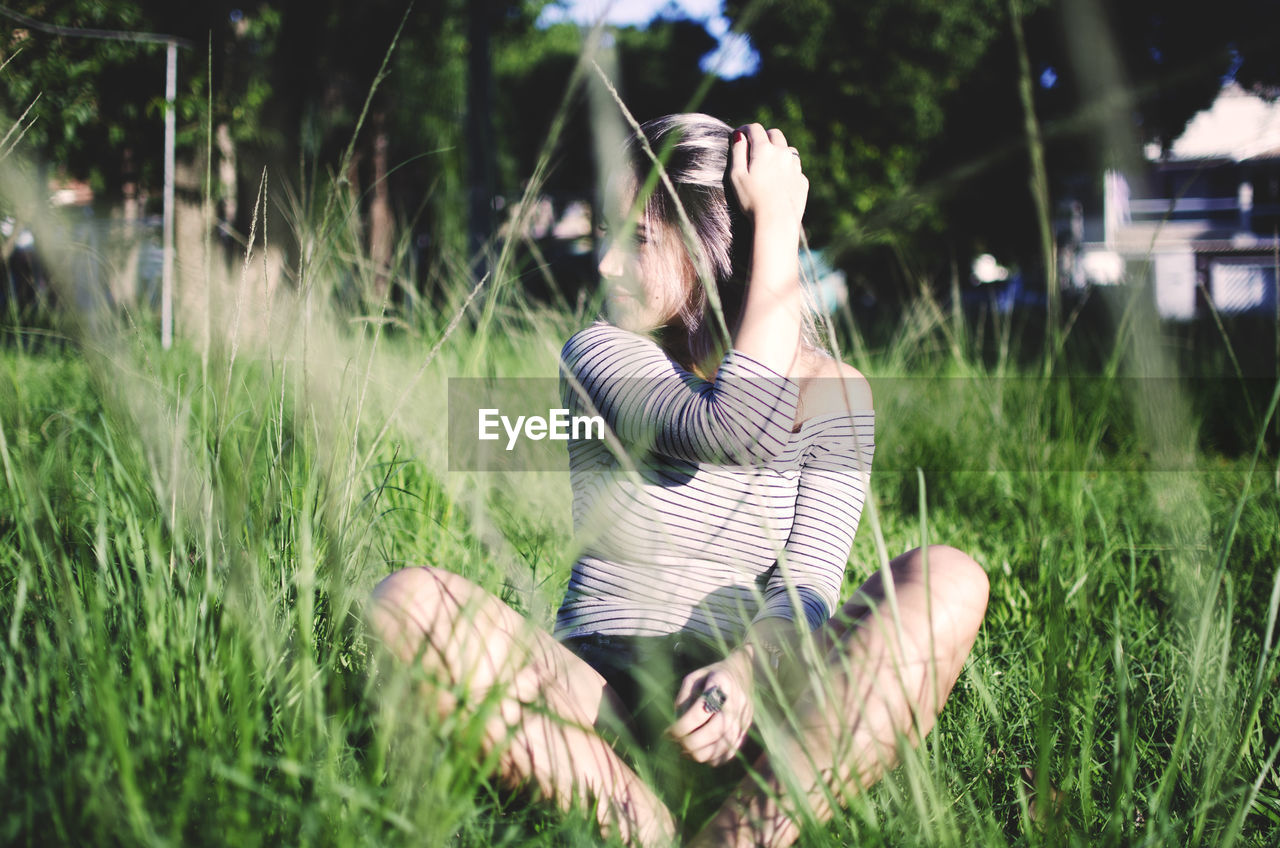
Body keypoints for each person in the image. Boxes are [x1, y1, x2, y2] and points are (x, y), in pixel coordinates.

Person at [369, 114, 990, 847]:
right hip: (594, 695)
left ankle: (744, 835)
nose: (603, 264)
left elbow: (809, 583)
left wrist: (748, 675)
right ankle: (635, 823)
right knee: (409, 602)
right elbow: (730, 428)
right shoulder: (603, 355)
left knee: (951, 579)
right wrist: (783, 226)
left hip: (757, 703)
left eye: (634, 238)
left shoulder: (836, 393)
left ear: (715, 244)